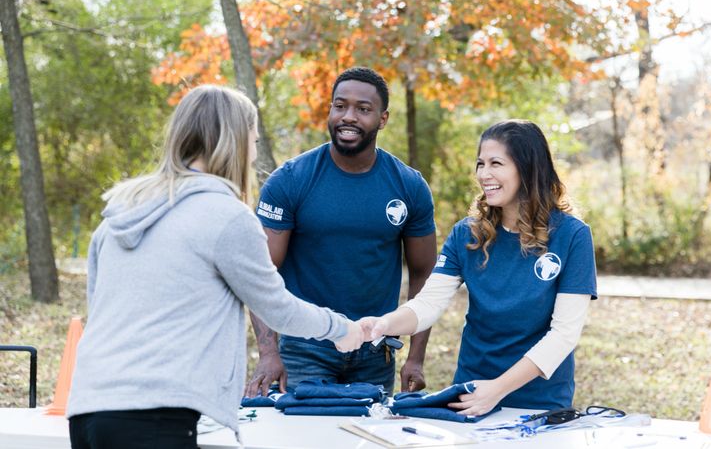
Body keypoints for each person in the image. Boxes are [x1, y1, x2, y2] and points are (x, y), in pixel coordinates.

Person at [66, 85, 364, 449]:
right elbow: (277, 308)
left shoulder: (121, 211)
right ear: (235, 143)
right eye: (253, 142)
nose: (254, 156)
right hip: (155, 411)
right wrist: (341, 329)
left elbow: (99, 309)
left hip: (87, 406)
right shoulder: (225, 216)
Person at [361, 119, 597, 416]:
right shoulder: (466, 234)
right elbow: (428, 303)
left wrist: (497, 388)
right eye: (480, 164)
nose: (484, 174)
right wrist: (384, 324)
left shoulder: (572, 235)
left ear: (527, 168)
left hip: (539, 403)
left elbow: (564, 334)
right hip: (471, 395)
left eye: (496, 163)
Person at [245, 67, 437, 398]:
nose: (348, 117)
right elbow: (260, 271)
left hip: (376, 349)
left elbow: (425, 274)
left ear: (383, 118)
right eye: (339, 106)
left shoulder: (409, 186)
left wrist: (416, 358)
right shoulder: (290, 180)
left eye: (363, 109)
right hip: (306, 348)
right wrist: (268, 353)